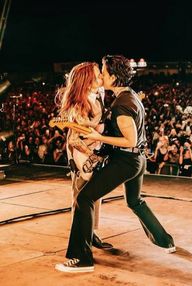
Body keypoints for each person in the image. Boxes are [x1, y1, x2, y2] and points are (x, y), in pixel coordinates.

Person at [55, 55, 176, 273]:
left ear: (112, 76)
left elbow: (128, 140)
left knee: (84, 197)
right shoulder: (129, 96)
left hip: (126, 160)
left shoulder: (121, 104)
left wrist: (98, 137)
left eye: (103, 72)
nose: (101, 75)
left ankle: (82, 259)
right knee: (135, 201)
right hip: (138, 159)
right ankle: (166, 241)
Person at [55, 62, 113, 250]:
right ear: (87, 82)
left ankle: (91, 233)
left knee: (95, 196)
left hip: (93, 148)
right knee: (81, 197)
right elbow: (74, 140)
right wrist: (93, 153)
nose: (100, 78)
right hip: (82, 154)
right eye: (96, 76)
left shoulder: (98, 95)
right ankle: (81, 240)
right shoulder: (79, 105)